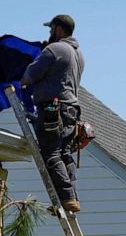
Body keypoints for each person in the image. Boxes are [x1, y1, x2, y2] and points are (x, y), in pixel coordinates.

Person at [21, 14, 84, 213]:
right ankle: (70, 198)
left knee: (50, 154)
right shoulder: (78, 54)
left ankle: (66, 197)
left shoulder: (54, 49)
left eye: (51, 29)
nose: (49, 32)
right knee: (64, 154)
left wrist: (20, 81)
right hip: (71, 112)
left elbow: (29, 75)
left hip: (52, 110)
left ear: (58, 29)